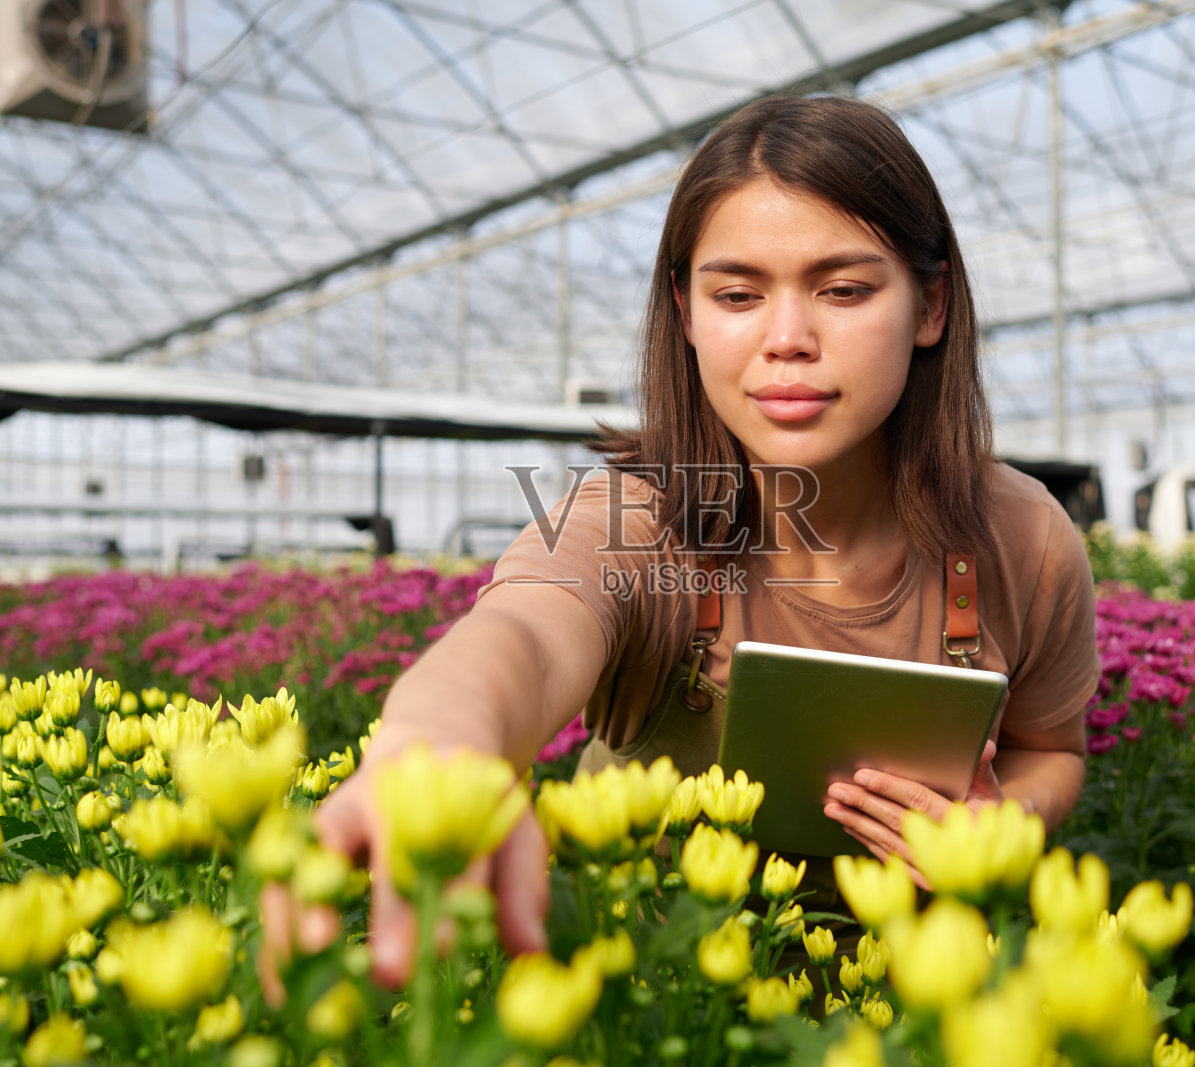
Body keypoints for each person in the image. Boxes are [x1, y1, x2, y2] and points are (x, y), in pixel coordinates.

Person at [262, 93, 1099, 991]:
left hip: (922, 1009)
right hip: (646, 999)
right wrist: (439, 746)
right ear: (688, 311)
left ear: (931, 304)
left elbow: (1051, 749)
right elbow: (530, 633)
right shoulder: (636, 517)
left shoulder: (1022, 535)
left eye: (845, 290)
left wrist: (1007, 821)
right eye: (737, 294)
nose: (787, 340)